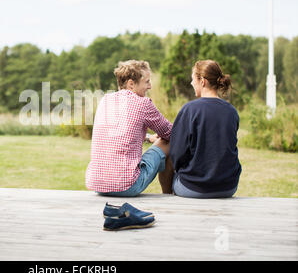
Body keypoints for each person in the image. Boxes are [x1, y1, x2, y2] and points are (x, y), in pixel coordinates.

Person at [85, 60, 173, 197]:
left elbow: (119, 133)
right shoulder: (143, 103)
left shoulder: (105, 100)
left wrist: (149, 138)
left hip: (97, 185)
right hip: (126, 186)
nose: (150, 86)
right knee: (167, 142)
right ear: (131, 84)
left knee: (160, 140)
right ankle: (169, 194)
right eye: (147, 82)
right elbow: (170, 133)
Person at [164, 60, 242, 198]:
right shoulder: (232, 111)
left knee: (166, 154)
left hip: (193, 188)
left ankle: (168, 197)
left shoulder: (190, 109)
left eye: (193, 79)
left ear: (203, 81)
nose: (191, 83)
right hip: (228, 187)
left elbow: (176, 153)